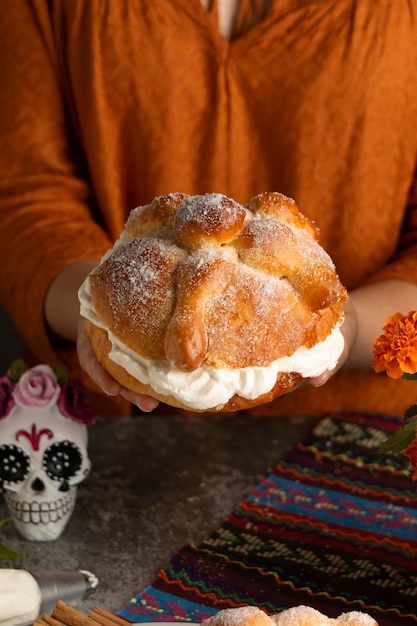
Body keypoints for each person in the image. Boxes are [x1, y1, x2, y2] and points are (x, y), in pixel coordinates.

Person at [1, 0, 417, 417]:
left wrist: (351, 327)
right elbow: (24, 189)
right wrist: (93, 312)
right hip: (100, 431)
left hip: (359, 439)